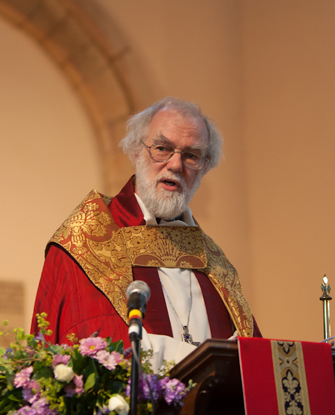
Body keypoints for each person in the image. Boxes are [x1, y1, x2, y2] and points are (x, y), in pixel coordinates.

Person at [32, 97, 261, 369]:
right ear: (136, 152)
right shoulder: (83, 244)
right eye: (162, 148)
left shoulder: (215, 266)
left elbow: (254, 368)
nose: (176, 165)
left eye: (191, 155)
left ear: (205, 166)